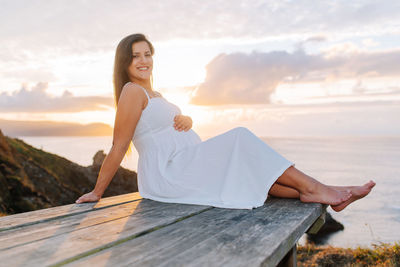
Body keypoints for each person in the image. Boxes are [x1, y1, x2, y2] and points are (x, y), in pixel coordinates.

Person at [75, 33, 375, 211]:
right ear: (124, 62)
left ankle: (327, 191)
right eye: (135, 56)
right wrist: (97, 192)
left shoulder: (155, 93)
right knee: (240, 138)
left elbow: (158, 125)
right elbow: (118, 145)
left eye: (147, 54)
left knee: (254, 172)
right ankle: (317, 188)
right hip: (168, 174)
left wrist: (186, 119)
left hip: (186, 164)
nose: (143, 60)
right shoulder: (131, 91)